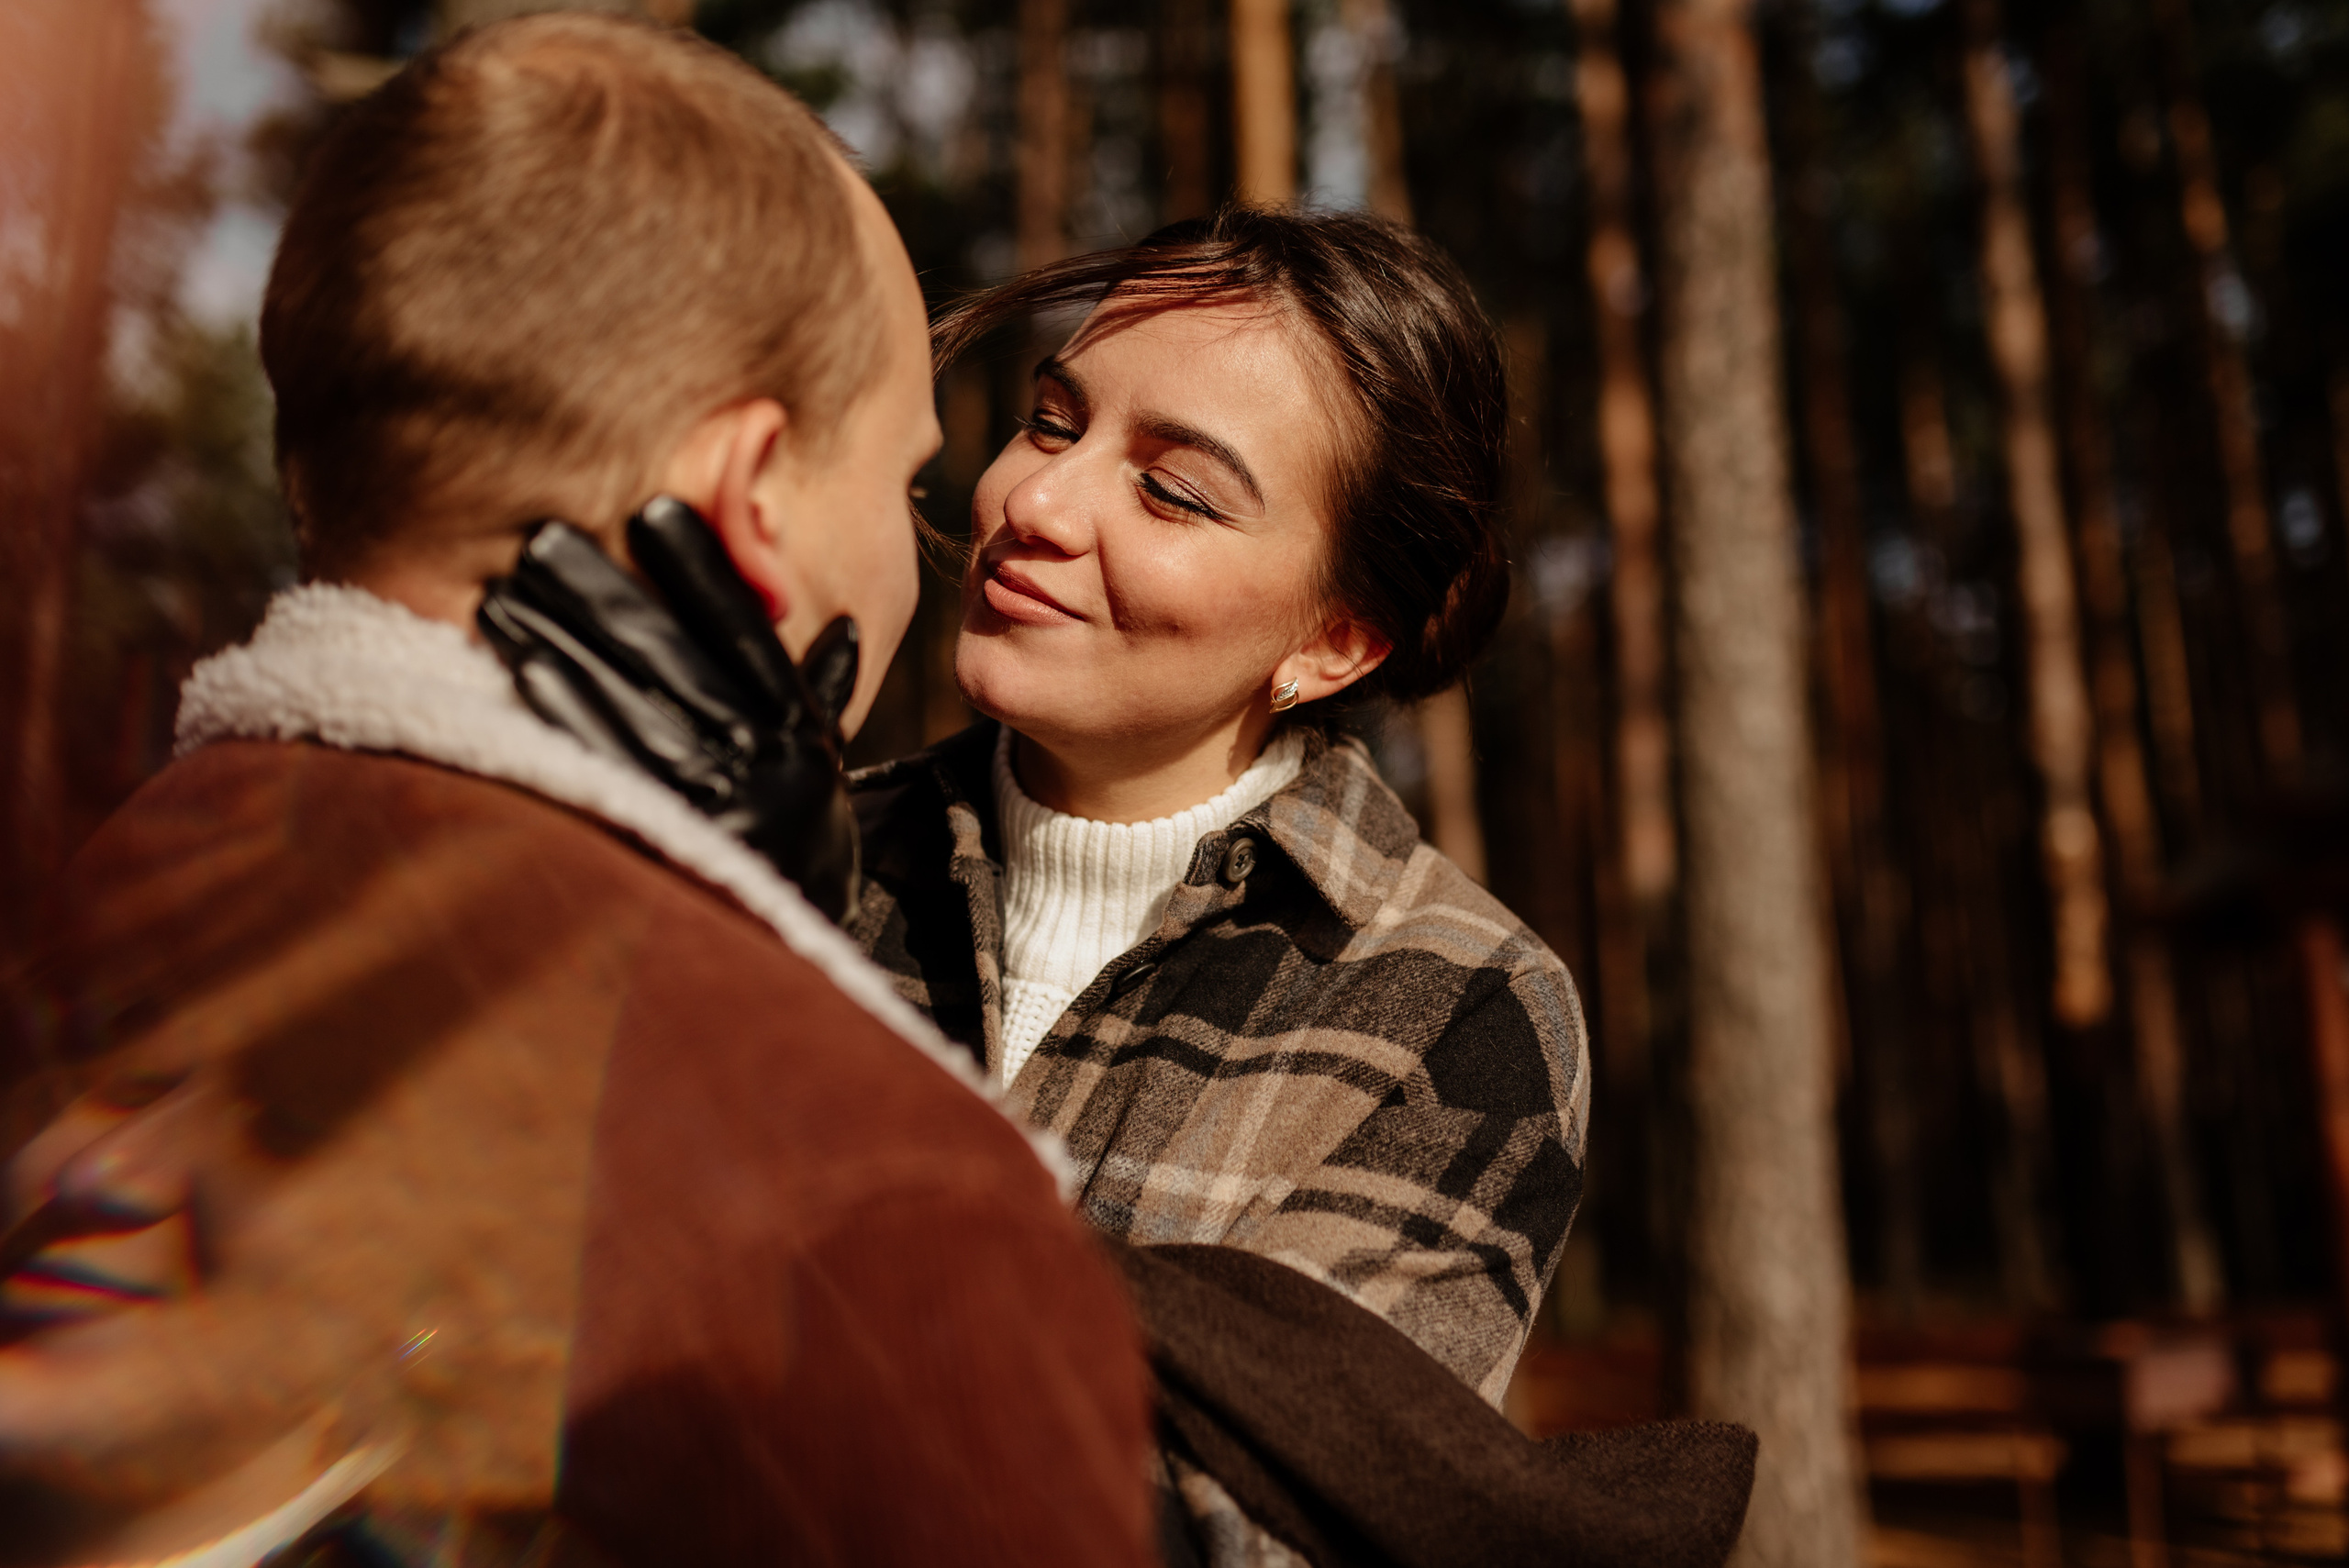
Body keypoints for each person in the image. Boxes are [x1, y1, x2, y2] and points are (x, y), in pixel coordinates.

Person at [0, 16, 1152, 1568]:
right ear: (750, 497)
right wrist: (749, 1034)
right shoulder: (893, 1221)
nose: (936, 543)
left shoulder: (93, 902)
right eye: (905, 480)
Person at [846, 208, 1590, 1547]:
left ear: (1335, 641)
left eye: (1175, 491)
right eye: (1056, 420)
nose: (1034, 502)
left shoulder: (1455, 1010)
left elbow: (1230, 1532)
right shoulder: (799, 861)